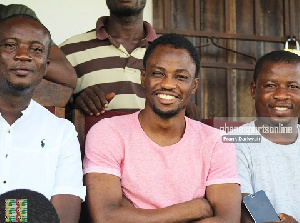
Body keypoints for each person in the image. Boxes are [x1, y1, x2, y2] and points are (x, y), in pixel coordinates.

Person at [83, 33, 241, 222]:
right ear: (143, 77)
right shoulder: (108, 133)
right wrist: (194, 209)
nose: (167, 84)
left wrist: (133, 214)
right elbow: (106, 217)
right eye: (158, 74)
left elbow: (227, 220)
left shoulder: (216, 142)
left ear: (194, 85)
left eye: (181, 77)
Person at [0, 15, 85, 222]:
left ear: (46, 66)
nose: (23, 56)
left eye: (36, 49)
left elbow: (65, 213)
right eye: (11, 45)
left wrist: (13, 215)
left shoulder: (61, 132)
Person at [60, 0, 201, 120]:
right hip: (96, 150)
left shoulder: (172, 55)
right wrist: (75, 105)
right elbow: (52, 115)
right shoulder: (69, 50)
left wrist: (183, 106)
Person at [231, 50, 300, 222]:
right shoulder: (236, 143)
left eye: (293, 87)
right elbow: (248, 211)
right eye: (270, 85)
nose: (281, 95)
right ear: (254, 90)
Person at [0, 4, 78, 90]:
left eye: (35, 49)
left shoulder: (14, 13)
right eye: (9, 45)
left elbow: (67, 75)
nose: (24, 56)